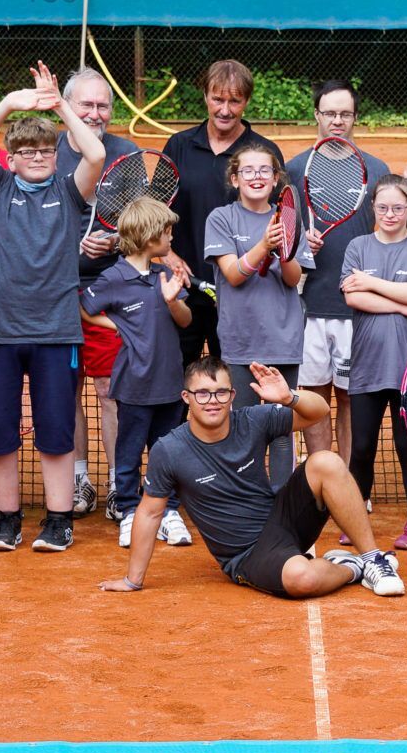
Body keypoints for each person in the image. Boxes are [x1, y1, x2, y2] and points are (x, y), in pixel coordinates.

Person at [0, 66, 108, 553]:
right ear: (14, 159)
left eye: (45, 150)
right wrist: (11, 103)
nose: (38, 157)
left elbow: (97, 152)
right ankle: (6, 518)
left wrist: (60, 106)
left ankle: (59, 519)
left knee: (56, 430)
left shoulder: (69, 191)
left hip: (56, 330)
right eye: (27, 152)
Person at [104, 358, 404, 599]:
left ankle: (374, 558)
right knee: (303, 578)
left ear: (232, 396)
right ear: (187, 398)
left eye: (221, 392)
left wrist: (290, 397)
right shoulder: (169, 450)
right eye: (202, 393)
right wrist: (133, 580)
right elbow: (150, 511)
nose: (212, 401)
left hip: (283, 520)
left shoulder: (252, 420)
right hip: (246, 554)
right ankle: (351, 567)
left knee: (325, 460)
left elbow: (320, 411)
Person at [289, 81, 400, 465]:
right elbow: (282, 236)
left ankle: (352, 483)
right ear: (317, 115)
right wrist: (302, 243)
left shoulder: (377, 170)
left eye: (345, 114)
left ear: (355, 118)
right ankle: (322, 478)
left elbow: (393, 234)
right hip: (308, 305)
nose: (337, 120)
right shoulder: (294, 169)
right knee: (313, 397)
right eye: (329, 113)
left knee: (353, 400)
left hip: (358, 308)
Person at [80, 196, 193, 543]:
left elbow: (186, 322)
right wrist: (118, 326)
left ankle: (168, 511)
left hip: (170, 383)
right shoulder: (114, 277)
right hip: (133, 385)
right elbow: (85, 307)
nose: (172, 238)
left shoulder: (165, 275)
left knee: (167, 453)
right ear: (148, 237)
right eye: (167, 232)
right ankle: (130, 511)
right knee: (128, 454)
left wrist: (173, 300)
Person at [63, 66, 148, 517]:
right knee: (65, 389)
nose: (95, 113)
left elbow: (145, 225)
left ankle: (121, 483)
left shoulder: (127, 154)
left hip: (111, 291)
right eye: (86, 105)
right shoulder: (49, 151)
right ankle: (79, 481)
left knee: (109, 391)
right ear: (67, 108)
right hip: (54, 294)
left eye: (102, 106)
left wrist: (116, 240)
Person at [341, 174, 407, 551]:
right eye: (382, 207)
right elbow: (353, 299)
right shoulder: (357, 246)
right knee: (361, 447)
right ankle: (354, 519)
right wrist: (401, 304)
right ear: (373, 209)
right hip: (367, 365)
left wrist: (369, 281)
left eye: (398, 207)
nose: (390, 214)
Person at [207, 133, 310, 480]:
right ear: (235, 179)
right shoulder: (221, 219)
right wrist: (264, 244)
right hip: (240, 341)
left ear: (276, 179)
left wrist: (286, 248)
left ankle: (282, 507)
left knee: (281, 428)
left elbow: (292, 279)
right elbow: (233, 275)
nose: (257, 176)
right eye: (248, 170)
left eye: (264, 170)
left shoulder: (290, 220)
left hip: (284, 339)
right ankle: (247, 504)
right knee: (244, 427)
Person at [162, 60, 261, 364]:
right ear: (205, 96)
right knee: (178, 379)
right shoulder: (179, 145)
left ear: (246, 101)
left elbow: (273, 218)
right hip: (183, 288)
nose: (225, 109)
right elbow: (155, 210)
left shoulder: (260, 152)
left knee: (234, 384)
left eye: (235, 101)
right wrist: (167, 255)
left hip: (239, 291)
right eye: (218, 99)